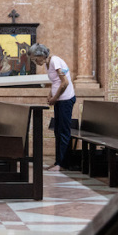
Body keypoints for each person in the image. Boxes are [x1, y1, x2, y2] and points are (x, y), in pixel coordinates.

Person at [28, 43, 76, 171]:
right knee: (57, 131)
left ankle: (63, 164)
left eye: (34, 58)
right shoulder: (48, 64)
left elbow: (65, 82)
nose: (34, 61)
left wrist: (55, 98)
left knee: (64, 131)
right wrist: (50, 95)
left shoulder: (55, 61)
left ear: (41, 55)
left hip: (66, 99)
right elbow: (56, 82)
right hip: (59, 100)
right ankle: (58, 162)